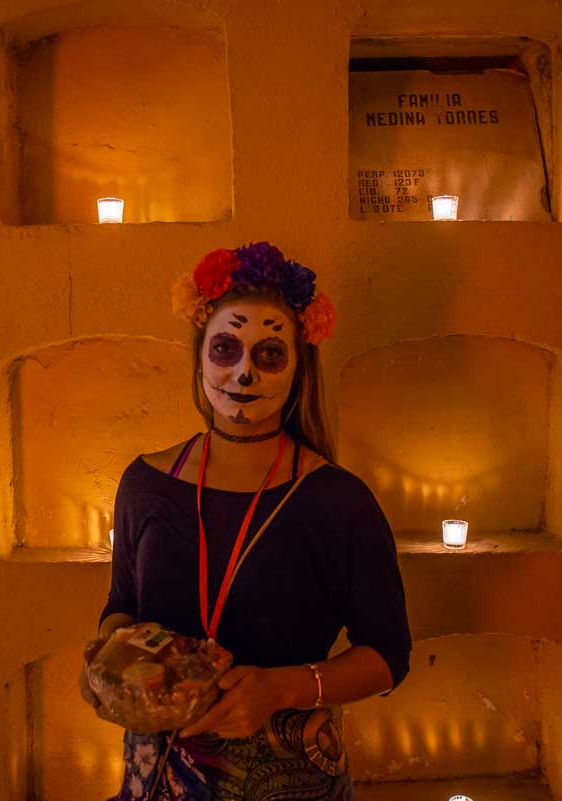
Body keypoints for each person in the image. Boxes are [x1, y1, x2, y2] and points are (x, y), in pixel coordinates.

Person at [85, 242, 411, 801]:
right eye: (226, 348)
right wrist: (114, 659)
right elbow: (123, 603)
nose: (242, 373)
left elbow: (387, 656)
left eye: (268, 355)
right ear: (199, 357)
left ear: (299, 367)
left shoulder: (337, 500)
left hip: (292, 779)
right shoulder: (144, 483)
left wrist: (281, 688)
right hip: (156, 775)